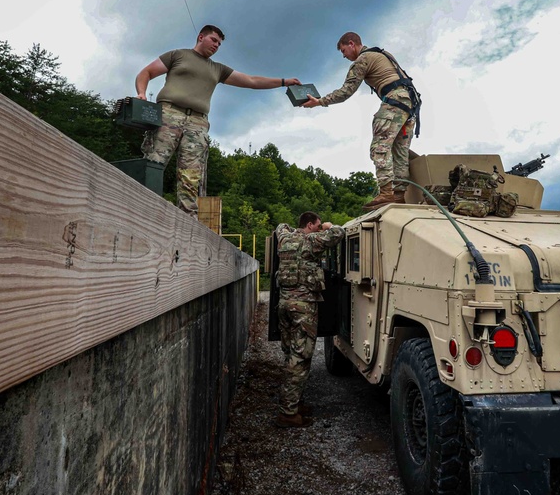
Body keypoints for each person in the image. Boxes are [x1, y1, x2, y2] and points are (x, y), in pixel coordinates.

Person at [135, 25, 300, 215]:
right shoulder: (178, 55)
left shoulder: (217, 69)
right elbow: (145, 73)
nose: (216, 46)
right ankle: (142, 208)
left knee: (191, 177)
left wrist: (283, 82)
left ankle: (188, 222)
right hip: (169, 113)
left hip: (198, 122)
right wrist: (141, 93)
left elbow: (251, 81)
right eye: (214, 40)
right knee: (153, 164)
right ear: (200, 37)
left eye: (219, 44)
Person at [301, 31, 421, 210]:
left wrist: (319, 102)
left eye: (343, 50)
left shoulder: (362, 60)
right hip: (410, 105)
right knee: (399, 152)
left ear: (352, 43)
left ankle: (387, 192)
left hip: (395, 100)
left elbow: (346, 91)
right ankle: (398, 195)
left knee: (379, 147)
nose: (343, 55)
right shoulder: (382, 54)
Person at [274, 211, 346, 428]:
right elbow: (339, 232)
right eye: (315, 225)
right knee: (301, 358)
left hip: (284, 305)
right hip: (303, 307)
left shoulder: (285, 238)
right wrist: (327, 225)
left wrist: (295, 228)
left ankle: (294, 404)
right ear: (310, 225)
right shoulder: (311, 241)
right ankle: (288, 413)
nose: (317, 228)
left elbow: (280, 225)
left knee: (291, 355)